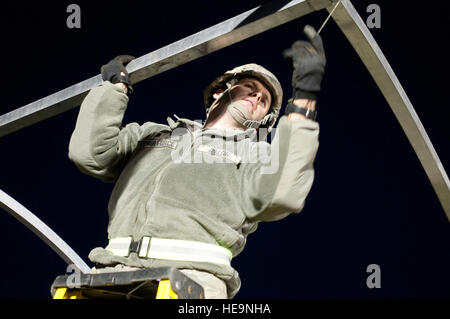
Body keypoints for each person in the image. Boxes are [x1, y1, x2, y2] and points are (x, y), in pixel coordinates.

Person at [68, 25, 326, 299]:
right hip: (110, 274)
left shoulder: (255, 154)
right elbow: (91, 154)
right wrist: (114, 88)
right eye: (250, 88)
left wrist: (304, 98)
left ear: (264, 120)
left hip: (193, 281)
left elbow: (283, 192)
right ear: (220, 91)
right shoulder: (155, 134)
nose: (258, 97)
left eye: (265, 101)